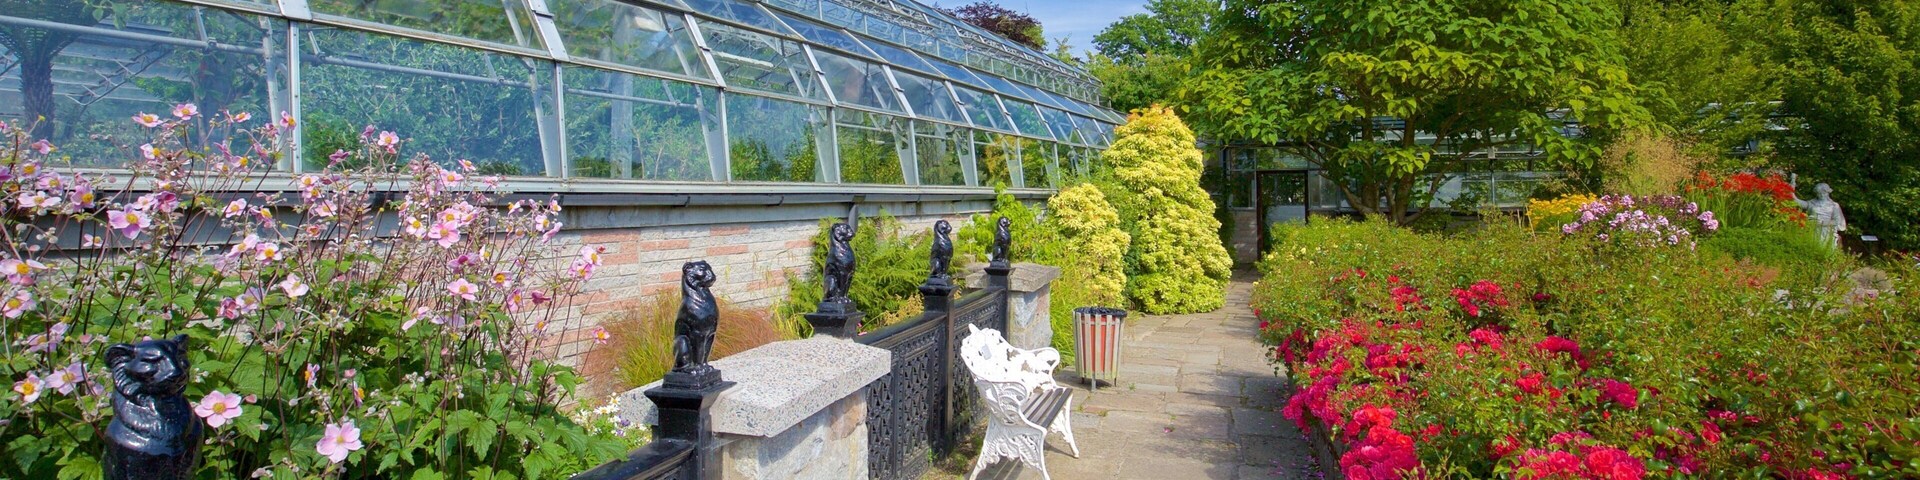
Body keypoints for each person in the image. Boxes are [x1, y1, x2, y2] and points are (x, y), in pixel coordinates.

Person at [1792, 175, 1847, 250]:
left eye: (1824, 193)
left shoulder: (1834, 205)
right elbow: (1796, 201)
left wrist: (1823, 223)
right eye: (1819, 193)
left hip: (1826, 231)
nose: (1821, 195)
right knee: (1810, 249)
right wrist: (1792, 184)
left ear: (1828, 193)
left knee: (1825, 249)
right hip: (1812, 229)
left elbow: (1837, 221)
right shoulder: (1811, 203)